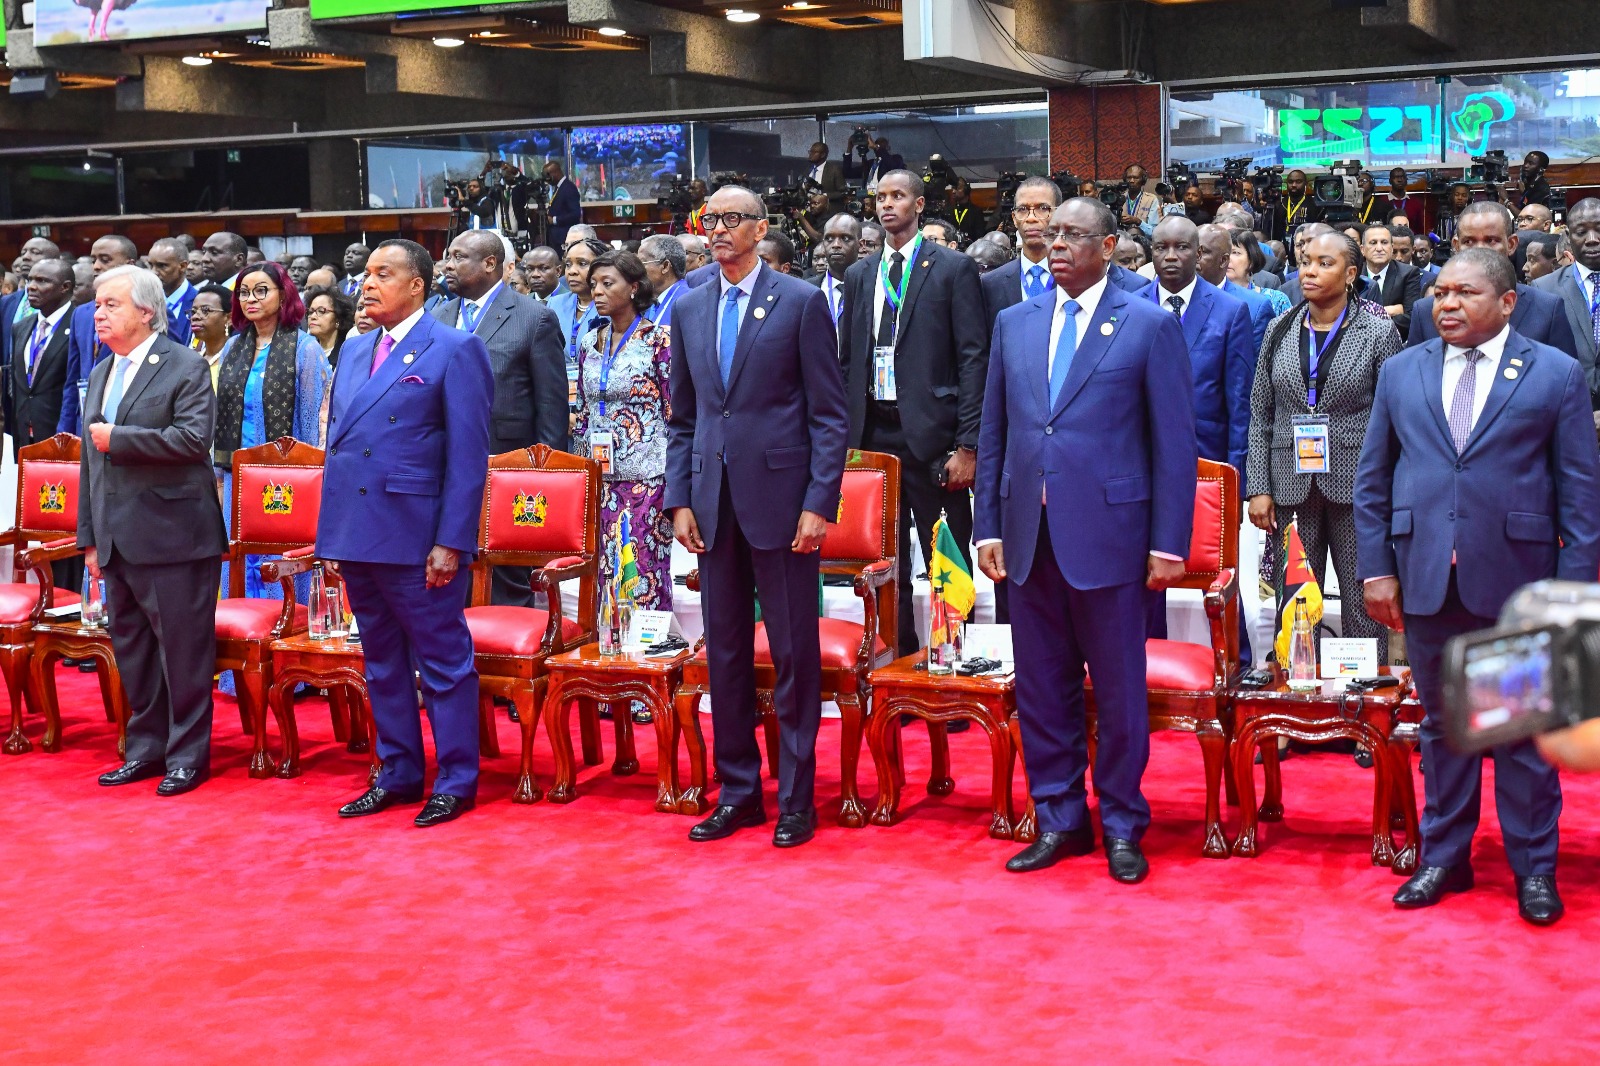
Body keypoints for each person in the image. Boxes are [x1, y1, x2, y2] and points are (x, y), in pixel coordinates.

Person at [1355, 248, 1600, 925]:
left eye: (1465, 292)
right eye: (1440, 292)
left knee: (1522, 730)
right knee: (1442, 729)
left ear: (1508, 302)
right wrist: (1377, 570)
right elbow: (1374, 480)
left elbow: (1582, 500)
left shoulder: (1555, 373)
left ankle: (1534, 868)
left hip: (1519, 586)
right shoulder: (1402, 370)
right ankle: (1444, 857)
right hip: (1427, 577)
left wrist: (1572, 597)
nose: (1447, 304)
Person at [975, 195, 1197, 884]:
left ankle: (1123, 822)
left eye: (1074, 234)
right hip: (1029, 536)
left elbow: (1174, 445)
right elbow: (995, 433)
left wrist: (1168, 542)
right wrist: (988, 524)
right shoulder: (1015, 322)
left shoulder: (1148, 324)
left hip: (1113, 538)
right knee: (1043, 688)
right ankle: (1060, 819)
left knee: (1120, 692)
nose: (1057, 243)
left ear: (1107, 247)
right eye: (1052, 233)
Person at [665, 184, 848, 849]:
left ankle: (796, 799)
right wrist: (679, 498)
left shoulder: (799, 302)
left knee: (794, 652)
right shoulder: (690, 305)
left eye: (732, 219)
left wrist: (818, 502)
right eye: (710, 219)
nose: (718, 228)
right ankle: (738, 792)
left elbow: (829, 416)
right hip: (712, 502)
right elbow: (684, 417)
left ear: (760, 228)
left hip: (783, 504)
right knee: (726, 653)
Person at [319, 240, 493, 828]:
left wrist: (452, 542)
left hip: (417, 536)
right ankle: (397, 773)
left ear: (417, 285)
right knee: (382, 663)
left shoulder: (455, 347)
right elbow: (338, 450)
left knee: (443, 663)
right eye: (365, 274)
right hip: (357, 531)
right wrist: (331, 538)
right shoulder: (354, 348)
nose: (367, 284)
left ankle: (457, 780)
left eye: (382, 274)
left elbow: (468, 458)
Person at [80, 266, 228, 796]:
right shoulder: (103, 370)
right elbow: (89, 463)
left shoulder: (185, 364)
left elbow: (192, 439)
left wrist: (119, 438)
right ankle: (146, 749)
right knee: (135, 652)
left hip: (174, 536)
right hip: (116, 538)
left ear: (146, 312)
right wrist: (89, 537)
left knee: (184, 654)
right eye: (98, 304)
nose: (99, 314)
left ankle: (187, 756)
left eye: (111, 304)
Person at [839, 170, 988, 655]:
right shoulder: (860, 274)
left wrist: (968, 445)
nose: (887, 205)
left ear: (919, 205)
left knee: (945, 559)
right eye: (880, 197)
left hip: (934, 438)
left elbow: (973, 358)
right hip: (873, 434)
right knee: (885, 563)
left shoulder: (953, 268)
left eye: (897, 196)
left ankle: (953, 660)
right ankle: (895, 660)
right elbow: (847, 360)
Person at [1247, 232, 1402, 674]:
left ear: (1351, 273)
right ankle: (1297, 692)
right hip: (1289, 482)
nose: (1309, 271)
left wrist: (1387, 489)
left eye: (1324, 263)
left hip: (1358, 487)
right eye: (1305, 261)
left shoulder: (1378, 331)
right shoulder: (1280, 328)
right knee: (1296, 599)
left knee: (1361, 599)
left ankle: (1363, 697)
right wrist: (1258, 487)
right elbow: (1260, 411)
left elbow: (1395, 416)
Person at [432, 227, 568, 617]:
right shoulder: (437, 316)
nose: (448, 265)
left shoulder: (534, 318)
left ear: (490, 263)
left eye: (459, 257)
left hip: (507, 468)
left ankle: (506, 651)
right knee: (447, 575)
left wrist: (542, 477)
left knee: (506, 583)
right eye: (448, 256)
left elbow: (551, 408)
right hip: (442, 468)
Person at [573, 250, 674, 665]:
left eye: (607, 283)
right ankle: (612, 661)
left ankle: (649, 666)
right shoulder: (588, 342)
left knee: (642, 568)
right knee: (606, 570)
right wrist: (581, 472)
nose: (597, 291)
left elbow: (674, 411)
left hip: (647, 475)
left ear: (634, 287)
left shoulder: (659, 340)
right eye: (593, 284)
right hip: (601, 476)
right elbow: (582, 412)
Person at [1148, 215, 1255, 477]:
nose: (1170, 256)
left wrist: (1236, 474)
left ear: (1197, 254)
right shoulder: (1129, 306)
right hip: (1141, 457)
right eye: (1161, 247)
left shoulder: (1230, 311)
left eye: (1181, 247)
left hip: (1205, 457)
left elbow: (1239, 402)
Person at [1408, 201, 1579, 362]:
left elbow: (1562, 377)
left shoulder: (1547, 309)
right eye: (1469, 241)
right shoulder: (1425, 312)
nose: (1480, 250)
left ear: (1511, 244)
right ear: (1456, 246)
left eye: (1491, 241)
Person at [57, 235, 136, 437]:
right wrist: (64, 432)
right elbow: (73, 379)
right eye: (93, 260)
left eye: (105, 260)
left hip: (127, 427)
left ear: (130, 265)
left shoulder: (145, 311)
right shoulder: (81, 314)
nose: (96, 266)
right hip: (84, 422)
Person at [1532, 196, 1600, 407]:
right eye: (1581, 232)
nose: (1592, 239)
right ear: (1569, 237)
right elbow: (1540, 362)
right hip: (1570, 410)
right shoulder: (1544, 289)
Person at [548, 237, 606, 413]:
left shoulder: (610, 306)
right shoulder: (555, 303)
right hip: (560, 399)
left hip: (597, 400)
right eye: (568, 264)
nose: (572, 271)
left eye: (582, 264)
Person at [1201, 223, 1275, 355]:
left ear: (1251, 259)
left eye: (1235, 253)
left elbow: (1258, 361)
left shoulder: (1259, 304)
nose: (1229, 258)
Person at [1360, 224, 1422, 336]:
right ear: (1362, 249)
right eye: (1373, 243)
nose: (1379, 248)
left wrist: (1366, 320)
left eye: (1384, 242)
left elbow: (1410, 318)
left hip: (1394, 339)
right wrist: (1391, 310)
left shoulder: (1408, 273)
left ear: (1392, 247)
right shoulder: (1354, 274)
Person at [140, 239, 195, 347]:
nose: (154, 272)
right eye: (150, 265)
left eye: (162, 266)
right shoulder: (143, 301)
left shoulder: (198, 302)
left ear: (183, 266)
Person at [1225, 229, 1292, 318]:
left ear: (1251, 259)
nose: (1227, 258)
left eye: (1235, 253)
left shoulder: (1276, 301)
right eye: (1224, 252)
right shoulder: (1210, 297)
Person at [809, 213, 859, 327]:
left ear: (860, 244)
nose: (836, 245)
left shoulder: (874, 286)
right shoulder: (807, 289)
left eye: (845, 238)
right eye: (829, 239)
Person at [187, 284, 232, 389]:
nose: (195, 317)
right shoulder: (190, 359)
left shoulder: (238, 358)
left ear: (229, 318)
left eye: (205, 311)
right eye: (193, 312)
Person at [639, 234, 688, 328]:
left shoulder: (687, 301)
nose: (637, 269)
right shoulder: (650, 301)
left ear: (665, 267)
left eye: (642, 263)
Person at [303, 285, 355, 368]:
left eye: (321, 311)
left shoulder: (348, 353)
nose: (313, 316)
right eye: (310, 312)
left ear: (338, 318)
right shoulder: (304, 351)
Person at [544, 161, 583, 252]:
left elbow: (575, 214)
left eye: (548, 175)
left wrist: (554, 220)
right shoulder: (559, 187)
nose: (547, 179)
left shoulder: (568, 188)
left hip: (564, 237)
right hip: (556, 238)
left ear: (556, 173)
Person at [1119, 164, 1162, 235]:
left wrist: (1138, 221)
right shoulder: (1118, 198)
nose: (1131, 181)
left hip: (1143, 240)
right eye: (1129, 177)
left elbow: (1154, 232)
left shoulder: (1151, 199)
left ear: (1143, 180)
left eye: (1136, 178)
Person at [804, 141, 847, 209]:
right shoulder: (808, 169)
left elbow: (843, 192)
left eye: (814, 152)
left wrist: (825, 196)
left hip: (827, 210)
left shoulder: (834, 170)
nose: (810, 154)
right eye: (810, 151)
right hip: (808, 209)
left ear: (823, 155)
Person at [946, 179, 987, 246]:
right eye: (952, 188)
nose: (953, 191)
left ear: (966, 190)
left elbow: (980, 236)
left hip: (971, 248)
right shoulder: (948, 211)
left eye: (957, 188)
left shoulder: (976, 211)